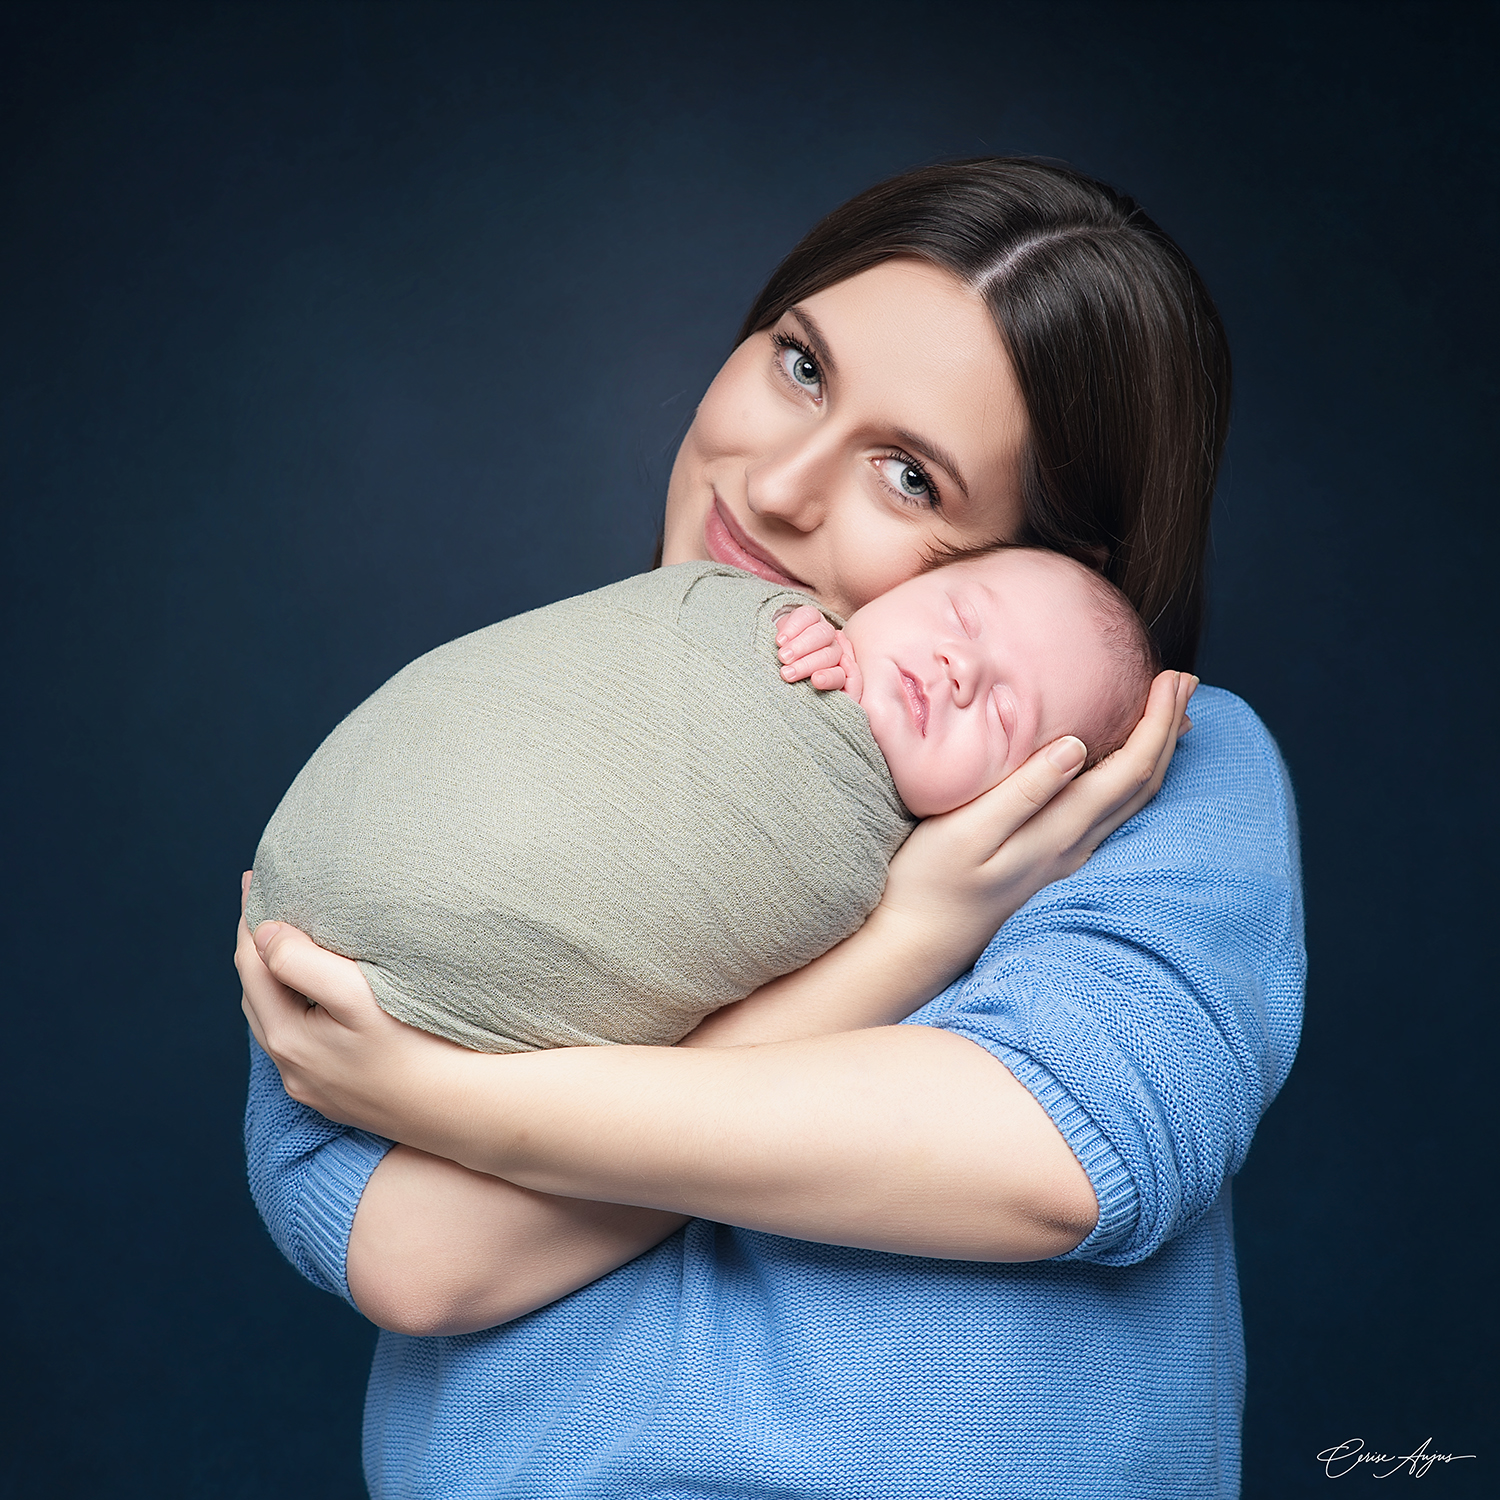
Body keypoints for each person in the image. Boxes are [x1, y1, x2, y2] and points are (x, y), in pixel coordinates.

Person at [239, 159, 1304, 1498]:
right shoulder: (485, 742)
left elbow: (1056, 1162)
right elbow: (422, 1258)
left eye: (910, 475)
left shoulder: (1120, 774)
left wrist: (444, 1100)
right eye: (802, 365)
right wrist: (909, 944)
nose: (784, 483)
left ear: (1036, 568)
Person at [246, 545, 1155, 1054]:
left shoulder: (907, 873)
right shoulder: (783, 629)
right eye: (960, 614)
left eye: (1003, 713)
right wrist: (813, 639)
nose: (959, 668)